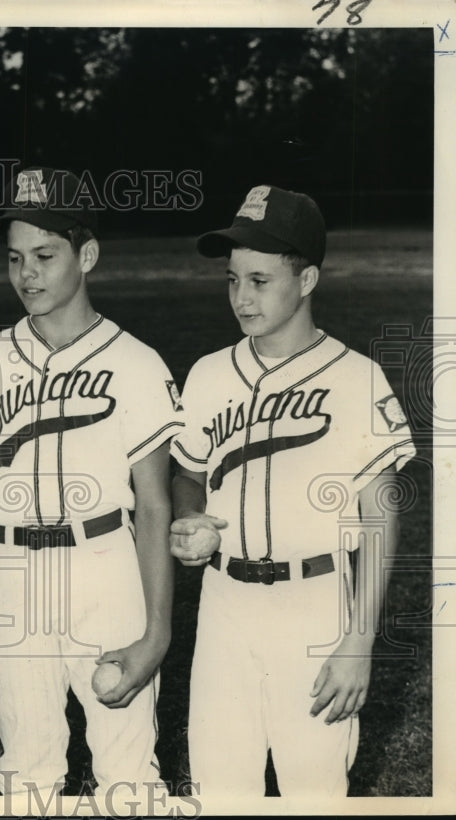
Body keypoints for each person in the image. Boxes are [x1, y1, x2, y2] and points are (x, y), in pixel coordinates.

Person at [169, 184, 417, 797]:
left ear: (306, 280)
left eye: (260, 280)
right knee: (221, 789)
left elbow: (380, 516)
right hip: (225, 607)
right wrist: (189, 515)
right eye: (232, 280)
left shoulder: (356, 376)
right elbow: (187, 471)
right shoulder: (208, 373)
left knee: (314, 792)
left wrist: (359, 642)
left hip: (315, 606)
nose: (241, 298)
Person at [0, 167, 180, 797]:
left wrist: (157, 632)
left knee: (128, 773)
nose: (27, 274)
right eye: (16, 258)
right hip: (12, 573)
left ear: (88, 255)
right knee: (26, 769)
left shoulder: (135, 362)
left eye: (45, 256)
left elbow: (154, 507)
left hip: (105, 568)